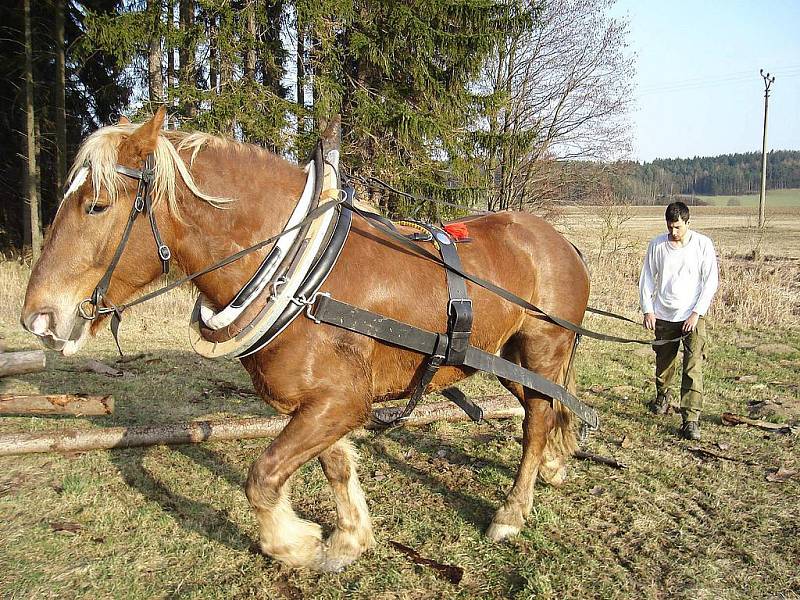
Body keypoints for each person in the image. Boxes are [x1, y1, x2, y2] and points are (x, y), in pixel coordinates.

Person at [639, 201, 719, 440]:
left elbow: (710, 281)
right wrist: (648, 310)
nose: (673, 233)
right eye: (670, 227)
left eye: (677, 227)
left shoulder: (702, 245)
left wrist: (697, 313)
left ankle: (690, 419)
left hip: (692, 316)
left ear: (687, 222)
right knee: (664, 362)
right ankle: (662, 396)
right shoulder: (658, 245)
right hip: (664, 315)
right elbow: (647, 279)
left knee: (692, 367)